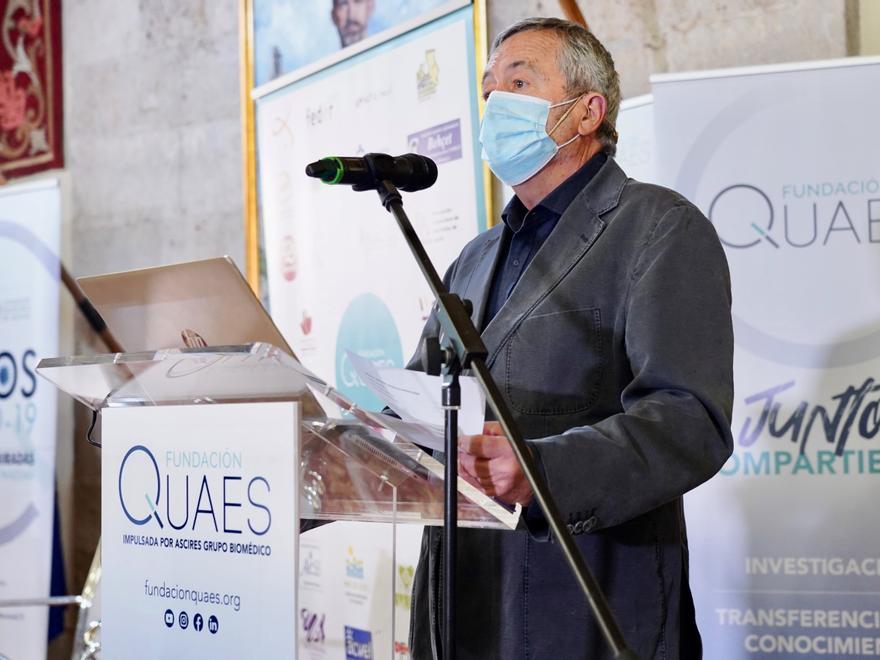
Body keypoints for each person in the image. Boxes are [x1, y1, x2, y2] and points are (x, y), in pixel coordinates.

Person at [405, 17, 734, 659]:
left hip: (583, 604)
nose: (496, 103)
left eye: (518, 82)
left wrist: (540, 468)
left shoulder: (659, 228)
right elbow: (412, 408)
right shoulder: (473, 258)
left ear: (587, 112)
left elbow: (689, 420)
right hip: (461, 603)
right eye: (487, 90)